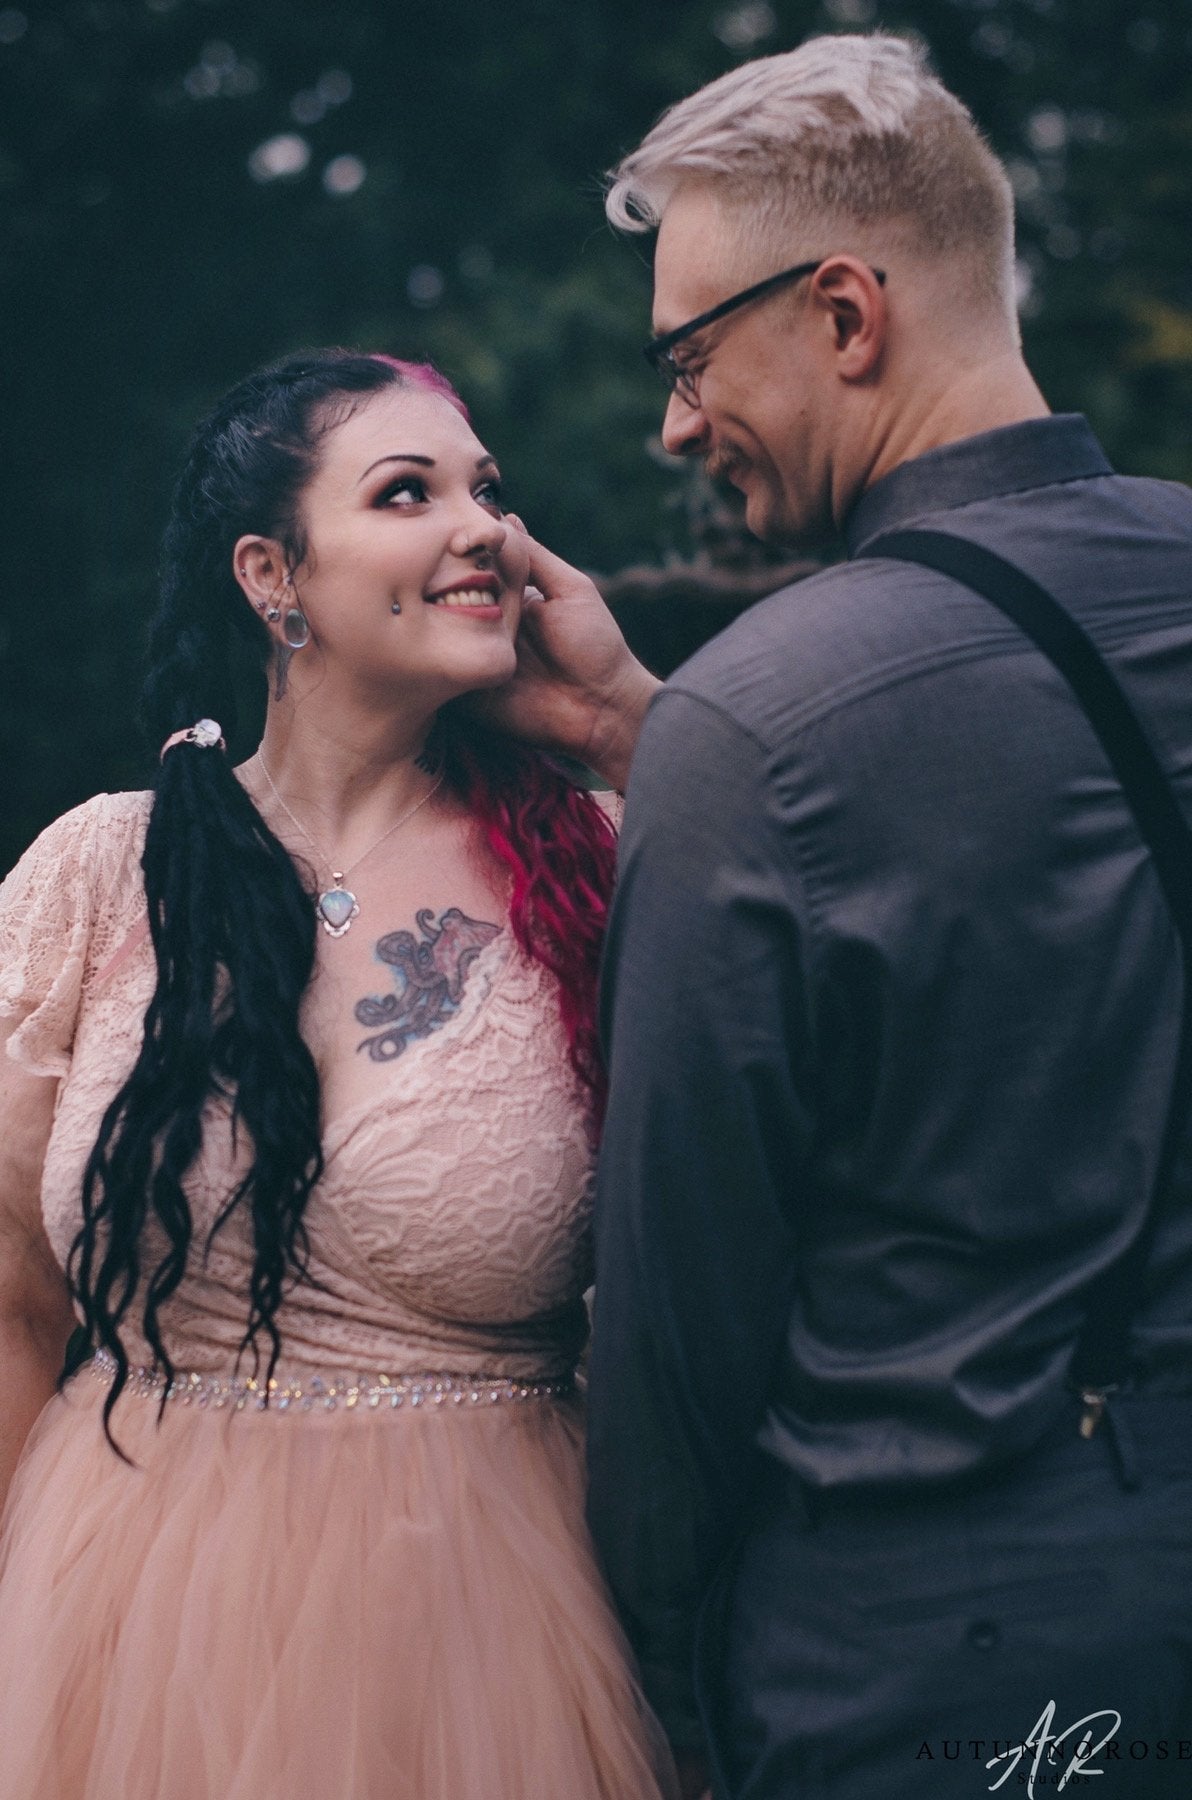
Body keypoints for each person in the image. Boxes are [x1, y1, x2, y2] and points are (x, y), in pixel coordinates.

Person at [494, 31, 1192, 1800]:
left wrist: (656, 1670)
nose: (672, 419)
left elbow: (679, 1323)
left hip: (934, 1665)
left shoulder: (771, 718)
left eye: (690, 353)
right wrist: (637, 730)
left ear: (848, 317)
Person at [0, 347, 679, 1800]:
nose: (485, 527)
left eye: (489, 491)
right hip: (110, 1643)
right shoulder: (101, 875)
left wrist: (627, 722)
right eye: (408, 491)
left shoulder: (608, 866)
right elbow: (7, 1300)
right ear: (272, 575)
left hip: (480, 1658)